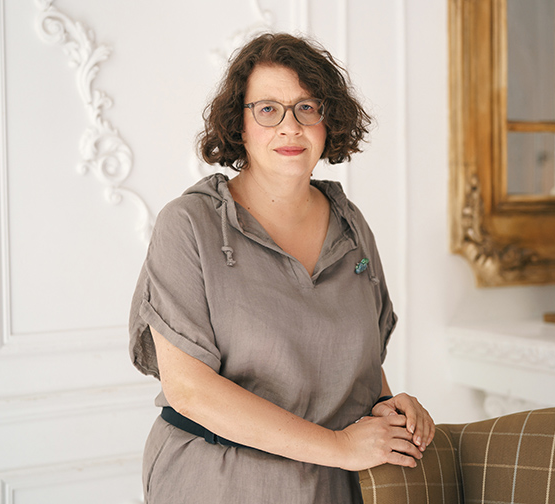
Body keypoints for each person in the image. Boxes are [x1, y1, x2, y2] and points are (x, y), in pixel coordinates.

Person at [129, 32, 434, 503]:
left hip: (337, 485)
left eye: (307, 108)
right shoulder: (189, 225)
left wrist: (389, 408)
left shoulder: (351, 227)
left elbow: (361, 368)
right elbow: (190, 391)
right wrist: (339, 446)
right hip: (221, 482)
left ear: (328, 121)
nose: (290, 127)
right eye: (268, 110)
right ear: (239, 125)